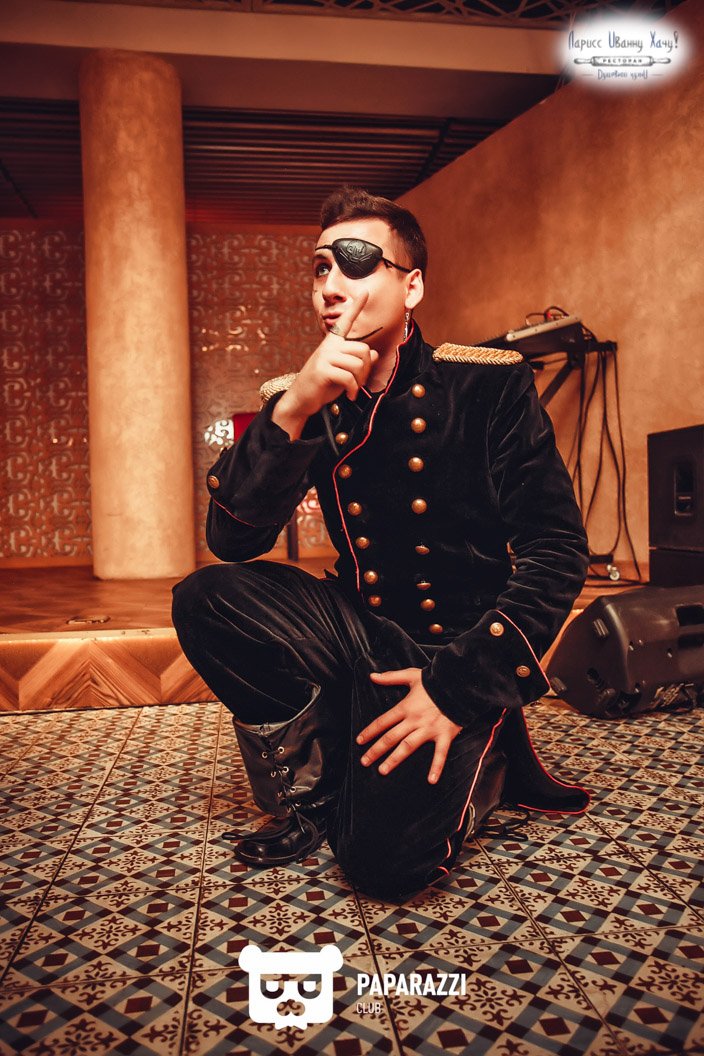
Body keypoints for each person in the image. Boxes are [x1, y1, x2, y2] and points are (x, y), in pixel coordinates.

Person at [172, 186, 590, 903]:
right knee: (206, 598)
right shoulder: (302, 394)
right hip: (359, 627)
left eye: (357, 263)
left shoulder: (485, 386)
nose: (330, 286)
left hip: (452, 652)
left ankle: (488, 748)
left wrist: (457, 692)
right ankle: (315, 793)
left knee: (385, 868)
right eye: (319, 268)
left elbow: (557, 551)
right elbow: (232, 541)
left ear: (412, 286)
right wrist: (293, 410)